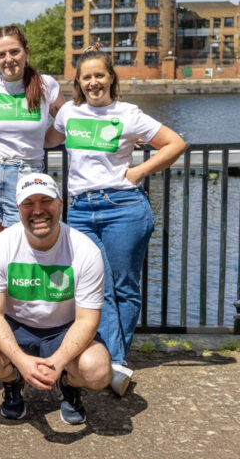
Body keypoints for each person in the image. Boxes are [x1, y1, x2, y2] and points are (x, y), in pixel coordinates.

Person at [47, 49, 186, 395]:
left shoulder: (128, 114)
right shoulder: (69, 113)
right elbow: (49, 139)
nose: (93, 82)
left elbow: (175, 143)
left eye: (99, 76)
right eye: (86, 77)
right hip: (79, 209)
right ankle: (112, 364)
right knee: (95, 286)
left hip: (122, 206)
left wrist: (138, 171)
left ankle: (114, 361)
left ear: (111, 78)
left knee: (123, 287)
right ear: (77, 83)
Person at [0, 173, 112, 425]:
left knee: (98, 371)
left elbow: (87, 321)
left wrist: (58, 363)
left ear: (60, 204)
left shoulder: (85, 250)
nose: (38, 211)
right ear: (18, 209)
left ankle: (69, 385)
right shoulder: (0, 246)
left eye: (46, 201)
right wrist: (20, 361)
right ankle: (13, 381)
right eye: (28, 204)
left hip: (65, 329)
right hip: (17, 326)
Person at [0, 25, 65, 256]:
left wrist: (42, 143)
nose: (8, 59)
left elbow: (67, 122)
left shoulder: (45, 85)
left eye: (14, 52)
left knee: (21, 258)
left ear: (26, 52)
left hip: (27, 177)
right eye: (1, 54)